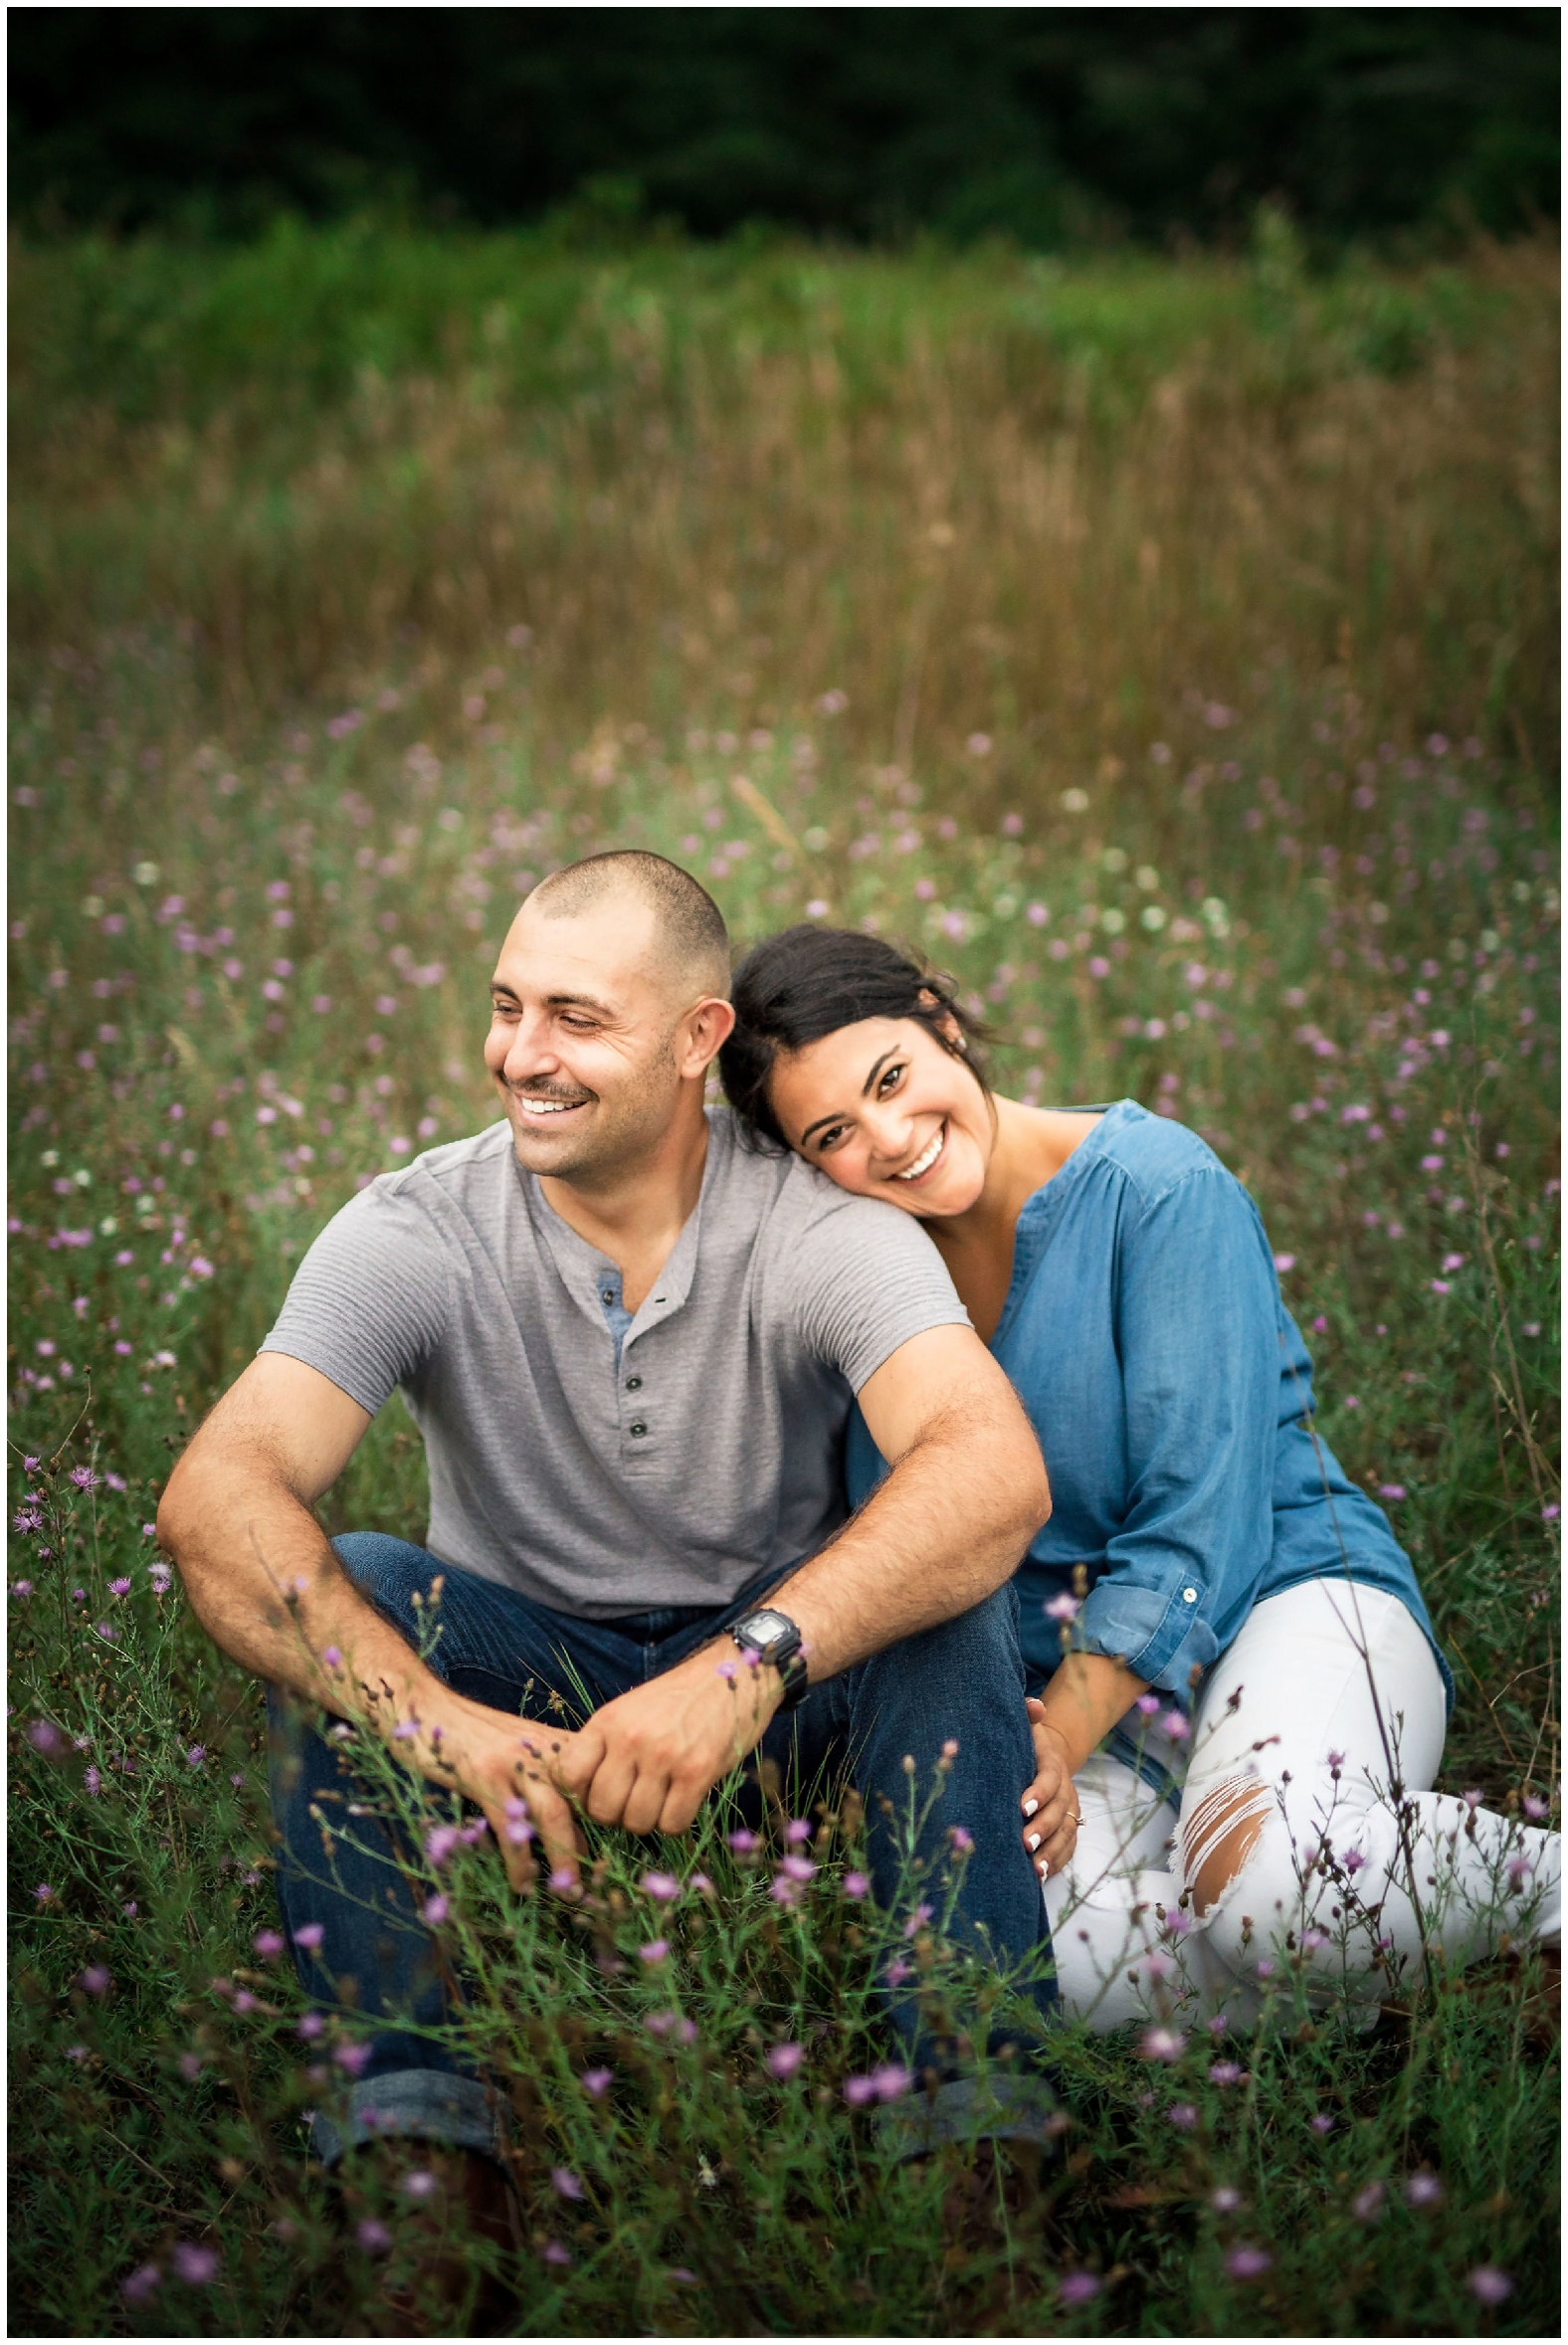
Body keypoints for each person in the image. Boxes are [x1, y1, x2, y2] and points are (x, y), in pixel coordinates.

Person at [158, 853, 1058, 2206]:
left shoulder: (815, 1224)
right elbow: (215, 1501)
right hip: (516, 1701)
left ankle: (983, 2149)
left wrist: (747, 1666)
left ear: (700, 1039)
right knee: (355, 1589)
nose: (522, 1054)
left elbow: (989, 1471)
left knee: (949, 1608)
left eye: (578, 1018)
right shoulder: (417, 1227)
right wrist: (432, 1720)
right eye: (507, 1006)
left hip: (774, 1707)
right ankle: (415, 2161)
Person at [721, 924, 1561, 2032]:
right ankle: (1373, 1969)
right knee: (1022, 1965)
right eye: (833, 1130)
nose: (890, 1136)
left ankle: (1491, 1897)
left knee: (1266, 1888)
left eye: (892, 1077)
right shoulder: (866, 1279)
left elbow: (1194, 1534)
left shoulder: (1155, 1187)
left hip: (1280, 1598)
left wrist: (1054, 1737)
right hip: (1084, 1716)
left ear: (941, 1019)